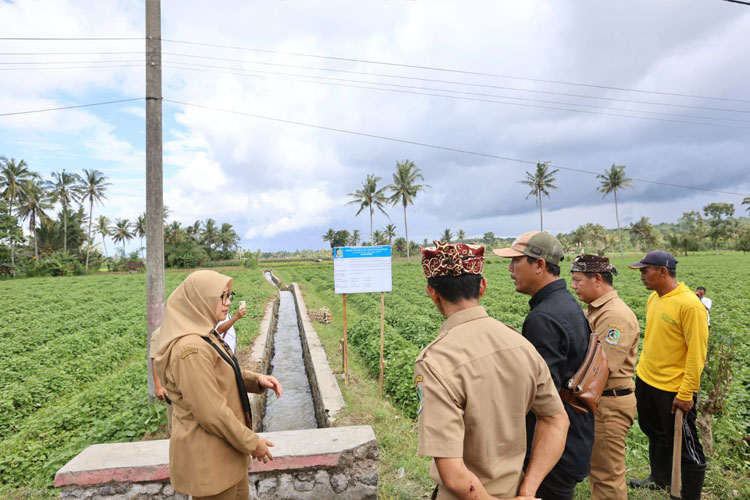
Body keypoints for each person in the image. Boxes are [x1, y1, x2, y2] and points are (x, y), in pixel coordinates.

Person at [416, 241, 569, 500]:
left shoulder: (435, 360)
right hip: (514, 491)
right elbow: (556, 419)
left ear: (432, 292)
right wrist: (528, 491)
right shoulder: (520, 344)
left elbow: (453, 475)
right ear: (483, 286)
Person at [154, 270, 283, 500]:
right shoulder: (189, 350)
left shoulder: (205, 334)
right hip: (211, 462)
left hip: (228, 453)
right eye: (222, 297)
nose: (228, 302)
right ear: (200, 301)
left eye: (229, 295)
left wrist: (256, 380)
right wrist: (253, 443)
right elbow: (211, 411)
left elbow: (222, 371)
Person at [494, 231, 594, 500]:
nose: (510, 269)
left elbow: (540, 398)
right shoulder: (566, 304)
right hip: (574, 438)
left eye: (517, 261)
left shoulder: (544, 318)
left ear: (539, 265)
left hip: (553, 452)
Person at [628, 251, 708, 500]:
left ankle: (690, 494)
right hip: (648, 380)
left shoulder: (689, 305)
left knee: (686, 444)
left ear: (662, 271)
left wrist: (686, 393)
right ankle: (659, 479)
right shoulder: (655, 298)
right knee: (654, 431)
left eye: (645, 271)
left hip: (673, 388)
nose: (641, 276)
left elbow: (697, 354)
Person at [569, 255, 639, 500]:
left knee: (607, 476)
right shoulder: (599, 311)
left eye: (577, 280)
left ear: (597, 279)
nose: (573, 286)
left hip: (608, 403)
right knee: (598, 471)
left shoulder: (615, 317)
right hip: (600, 401)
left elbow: (599, 368)